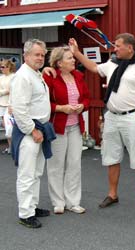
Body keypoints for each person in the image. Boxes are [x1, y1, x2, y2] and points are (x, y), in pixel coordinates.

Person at [68, 34, 135, 211]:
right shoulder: (112, 64)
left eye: (118, 46)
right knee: (111, 157)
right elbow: (93, 67)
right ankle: (112, 194)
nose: (114, 49)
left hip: (132, 118)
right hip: (112, 117)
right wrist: (76, 53)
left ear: (129, 48)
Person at [11, 39, 55, 228]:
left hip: (39, 129)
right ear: (26, 55)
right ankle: (25, 213)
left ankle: (32, 206)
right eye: (36, 54)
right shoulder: (23, 77)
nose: (40, 58)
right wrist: (32, 130)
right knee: (27, 174)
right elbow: (19, 109)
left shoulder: (35, 74)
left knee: (36, 173)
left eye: (42, 55)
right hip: (29, 132)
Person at [43, 46, 90, 215]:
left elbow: (86, 98)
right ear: (59, 63)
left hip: (76, 127)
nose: (73, 60)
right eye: (69, 58)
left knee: (74, 165)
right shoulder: (49, 77)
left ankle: (73, 202)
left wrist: (82, 106)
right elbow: (43, 103)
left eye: (72, 57)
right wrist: (61, 108)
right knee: (56, 166)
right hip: (57, 128)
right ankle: (58, 202)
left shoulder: (78, 76)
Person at [0, 59, 16, 154]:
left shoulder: (13, 77)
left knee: (10, 126)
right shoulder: (1, 78)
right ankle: (10, 147)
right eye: (1, 67)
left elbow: (12, 90)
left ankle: (13, 147)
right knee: (5, 127)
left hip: (10, 105)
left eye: (3, 67)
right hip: (1, 104)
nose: (1, 69)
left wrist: (3, 92)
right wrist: (5, 91)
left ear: (8, 67)